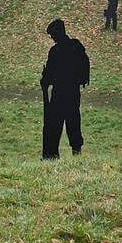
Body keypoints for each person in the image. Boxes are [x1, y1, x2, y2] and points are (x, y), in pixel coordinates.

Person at [41, 19, 89, 158]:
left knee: (56, 126)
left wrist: (45, 81)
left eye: (52, 35)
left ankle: (54, 155)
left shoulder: (56, 51)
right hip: (72, 93)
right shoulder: (76, 47)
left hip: (60, 94)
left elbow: (50, 74)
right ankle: (76, 152)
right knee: (73, 122)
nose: (52, 38)